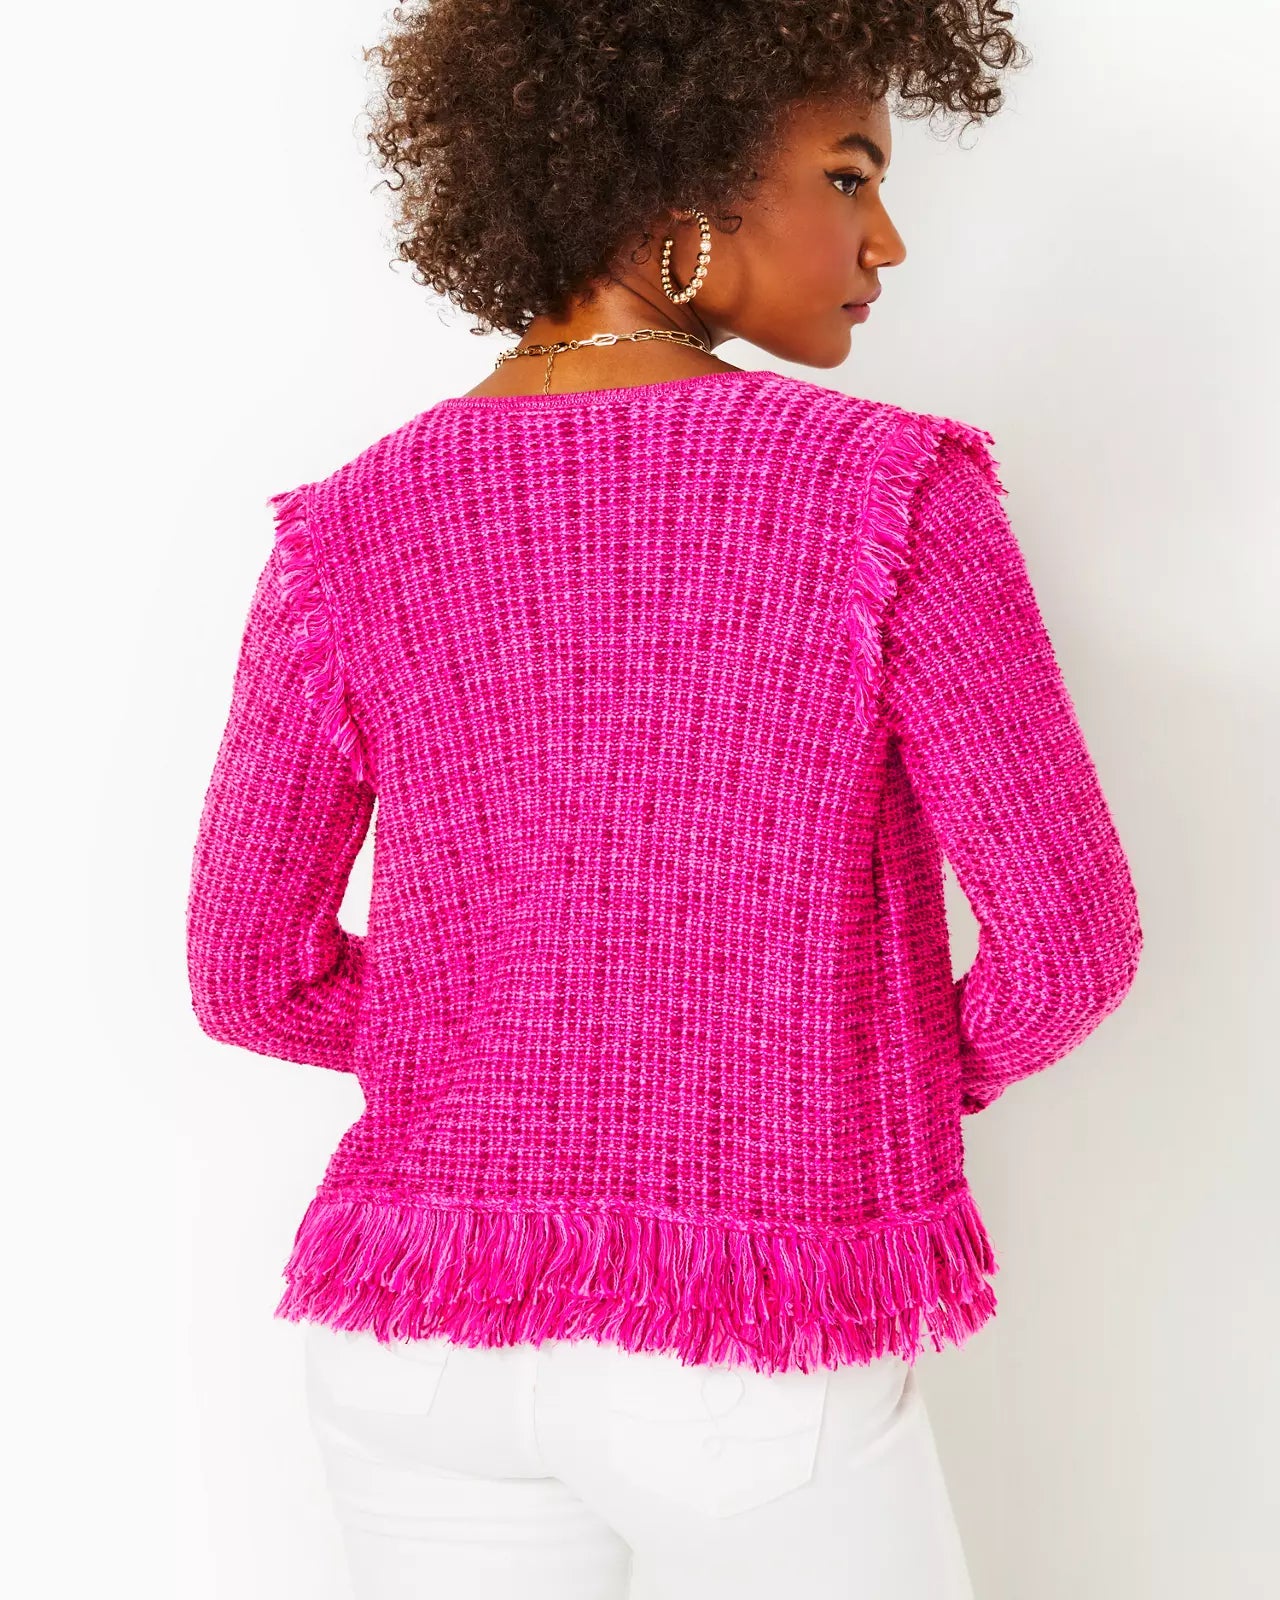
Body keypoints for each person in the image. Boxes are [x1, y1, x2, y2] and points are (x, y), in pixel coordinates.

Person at [186, 4, 1142, 1597]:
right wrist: (809, 1074)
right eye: (849, 175)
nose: (887, 240)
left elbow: (246, 974)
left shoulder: (349, 528)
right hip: (743, 1354)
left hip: (414, 1355)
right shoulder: (891, 492)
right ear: (678, 186)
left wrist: (520, 1058)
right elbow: (1069, 950)